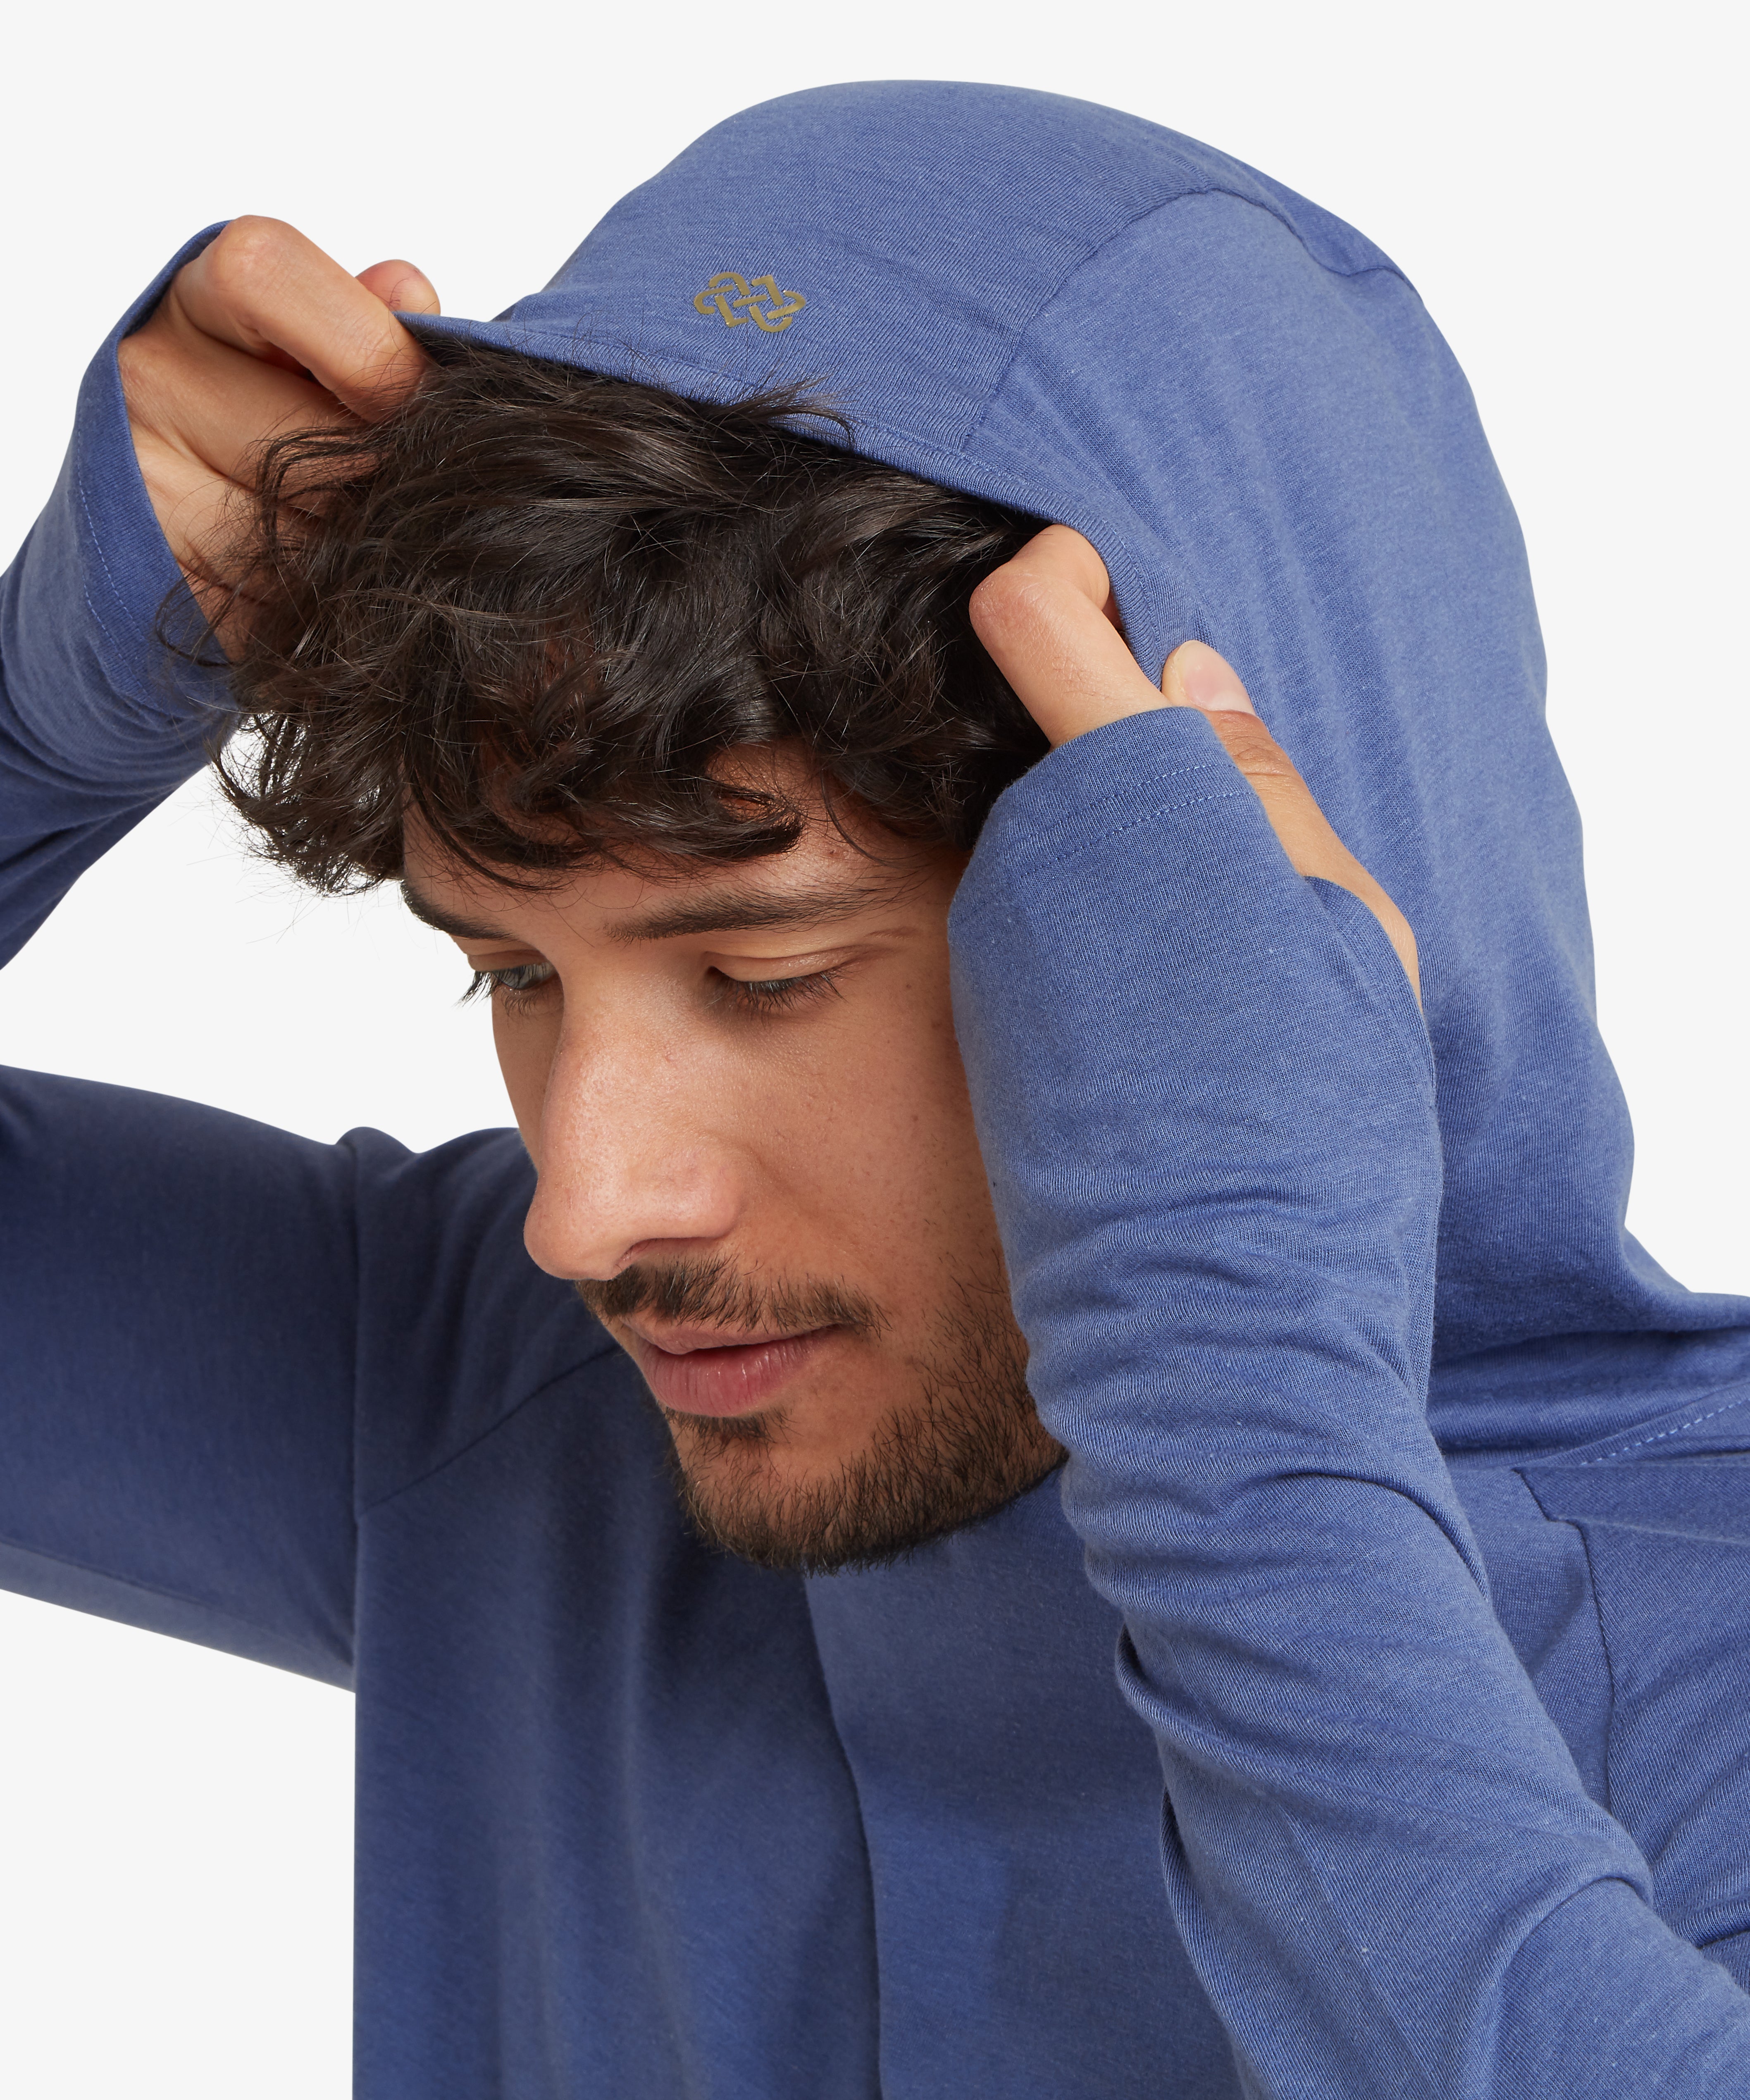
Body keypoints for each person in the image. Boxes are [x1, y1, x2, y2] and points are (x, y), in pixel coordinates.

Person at [3, 78, 1747, 2098]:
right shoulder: (501, 1408)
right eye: (511, 968)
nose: (589, 1207)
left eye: (764, 974)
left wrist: (1239, 1413)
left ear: (1256, 888)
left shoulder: (1695, 1655)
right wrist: (31, 734)